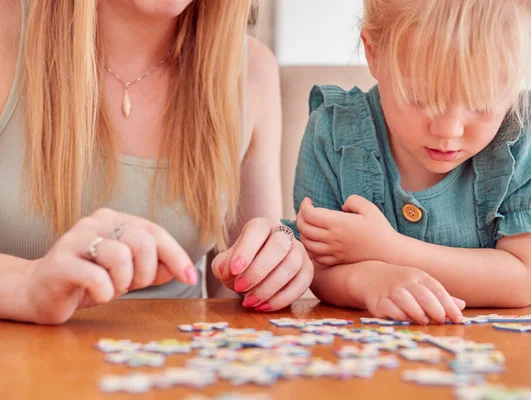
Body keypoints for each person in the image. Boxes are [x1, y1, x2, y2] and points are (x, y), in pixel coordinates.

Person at [0, 0, 313, 325]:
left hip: (181, 367)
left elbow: (239, 294)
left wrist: (275, 268)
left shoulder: (252, 70)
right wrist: (25, 284)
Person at [283, 0, 531, 324]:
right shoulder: (334, 130)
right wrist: (367, 281)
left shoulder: (526, 131)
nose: (449, 131)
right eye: (420, 98)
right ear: (373, 53)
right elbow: (318, 266)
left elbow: (523, 280)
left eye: (481, 102)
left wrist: (387, 249)